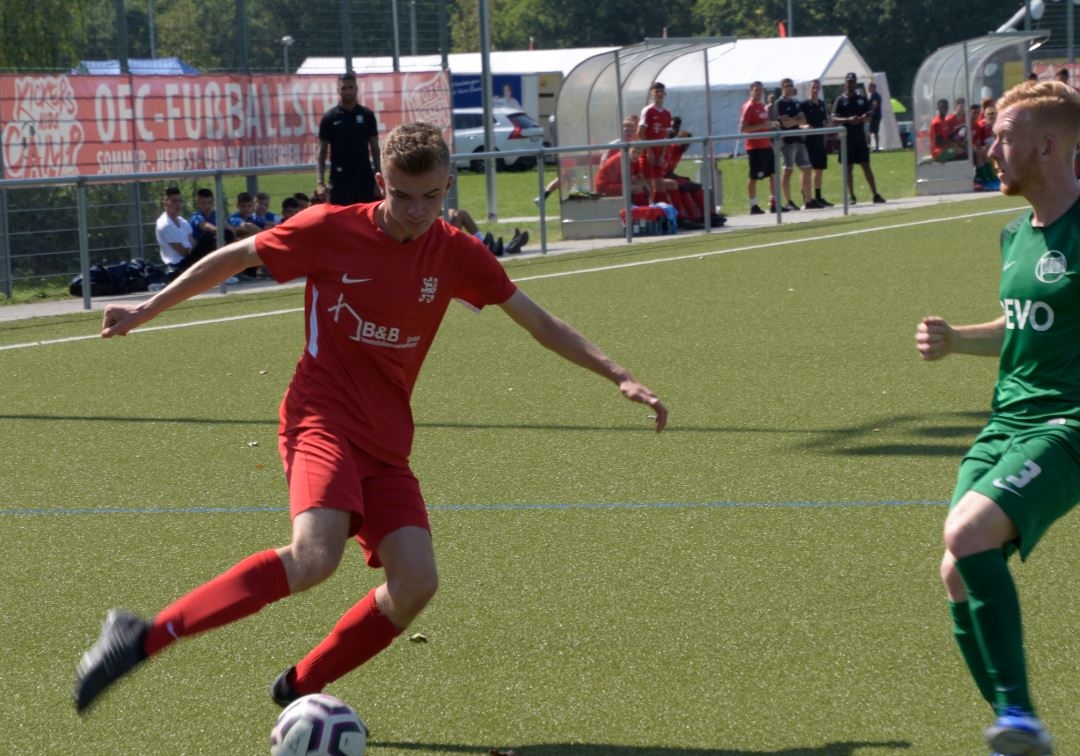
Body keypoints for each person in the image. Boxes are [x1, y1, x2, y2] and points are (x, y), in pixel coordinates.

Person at [74, 121, 667, 717]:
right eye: (403, 195)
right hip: (321, 416)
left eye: (431, 196)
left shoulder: (457, 253)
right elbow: (237, 256)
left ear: (447, 186)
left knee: (416, 583)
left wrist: (618, 374)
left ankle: (300, 685)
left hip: (385, 441)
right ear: (382, 182)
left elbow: (539, 322)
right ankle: (141, 636)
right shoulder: (329, 229)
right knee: (315, 557)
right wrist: (147, 309)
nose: (416, 211)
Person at [915, 80, 1080, 756]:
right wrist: (956, 340)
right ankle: (1021, 745)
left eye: (1002, 137)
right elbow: (1022, 327)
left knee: (966, 533)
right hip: (1005, 426)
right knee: (956, 569)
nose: (990, 149)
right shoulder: (1015, 234)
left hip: (1069, 428)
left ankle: (1019, 715)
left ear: (1047, 147)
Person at [316, 72, 381, 205]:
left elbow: (375, 150)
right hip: (339, 179)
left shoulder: (367, 115)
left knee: (367, 215)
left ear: (356, 89)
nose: (347, 91)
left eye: (350, 87)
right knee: (342, 216)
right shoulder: (329, 118)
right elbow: (321, 153)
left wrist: (379, 179)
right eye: (343, 88)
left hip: (364, 178)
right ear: (338, 90)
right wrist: (320, 183)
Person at [831, 72, 885, 205]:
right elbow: (834, 117)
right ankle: (851, 196)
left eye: (853, 82)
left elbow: (869, 113)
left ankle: (875, 194)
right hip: (846, 138)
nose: (851, 84)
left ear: (855, 83)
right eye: (849, 82)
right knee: (848, 168)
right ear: (845, 83)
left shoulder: (861, 98)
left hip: (860, 136)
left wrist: (862, 118)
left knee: (866, 165)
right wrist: (848, 119)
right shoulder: (840, 100)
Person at [188, 188, 239, 286]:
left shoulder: (215, 215)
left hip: (213, 247)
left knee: (228, 237)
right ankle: (220, 275)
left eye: (209, 202)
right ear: (197, 203)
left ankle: (228, 272)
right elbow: (207, 227)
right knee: (214, 238)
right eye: (203, 203)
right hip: (199, 251)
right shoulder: (196, 217)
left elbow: (228, 227)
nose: (207, 206)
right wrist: (222, 233)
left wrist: (233, 237)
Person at [739, 80, 776, 215]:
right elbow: (743, 128)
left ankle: (774, 203)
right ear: (751, 91)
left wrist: (771, 124)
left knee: (773, 174)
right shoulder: (748, 106)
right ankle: (753, 205)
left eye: (760, 90)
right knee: (754, 176)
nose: (759, 93)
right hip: (754, 147)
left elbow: (763, 123)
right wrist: (762, 126)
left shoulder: (762, 105)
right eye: (756, 90)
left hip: (766, 145)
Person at [773, 78, 807, 211]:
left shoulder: (796, 102)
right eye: (787, 86)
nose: (789, 88)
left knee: (806, 168)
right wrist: (796, 120)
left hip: (799, 139)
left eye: (791, 85)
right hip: (787, 141)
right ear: (782, 87)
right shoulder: (779, 103)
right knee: (788, 170)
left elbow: (803, 119)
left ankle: (807, 199)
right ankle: (788, 201)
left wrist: (794, 120)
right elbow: (785, 124)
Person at [154, 186, 201, 279]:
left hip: (189, 258)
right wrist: (198, 251)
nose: (178, 204)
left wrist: (197, 250)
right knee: (208, 241)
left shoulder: (182, 221)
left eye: (179, 201)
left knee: (212, 239)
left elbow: (193, 242)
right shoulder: (165, 224)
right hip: (178, 265)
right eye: (174, 201)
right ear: (165, 203)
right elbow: (182, 252)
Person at [800, 79, 833, 208]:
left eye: (817, 88)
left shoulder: (821, 104)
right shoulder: (804, 104)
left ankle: (818, 197)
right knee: (806, 170)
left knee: (819, 169)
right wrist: (805, 126)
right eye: (813, 87)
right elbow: (800, 122)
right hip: (808, 141)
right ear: (809, 88)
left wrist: (830, 124)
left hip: (820, 140)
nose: (815, 90)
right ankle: (806, 198)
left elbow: (825, 121)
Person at [867, 81, 883, 152]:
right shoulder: (876, 95)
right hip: (877, 115)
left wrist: (870, 113)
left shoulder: (874, 95)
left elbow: (874, 104)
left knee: (873, 132)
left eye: (869, 87)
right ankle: (875, 147)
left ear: (872, 87)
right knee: (874, 132)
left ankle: (874, 147)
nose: (868, 89)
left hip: (875, 116)